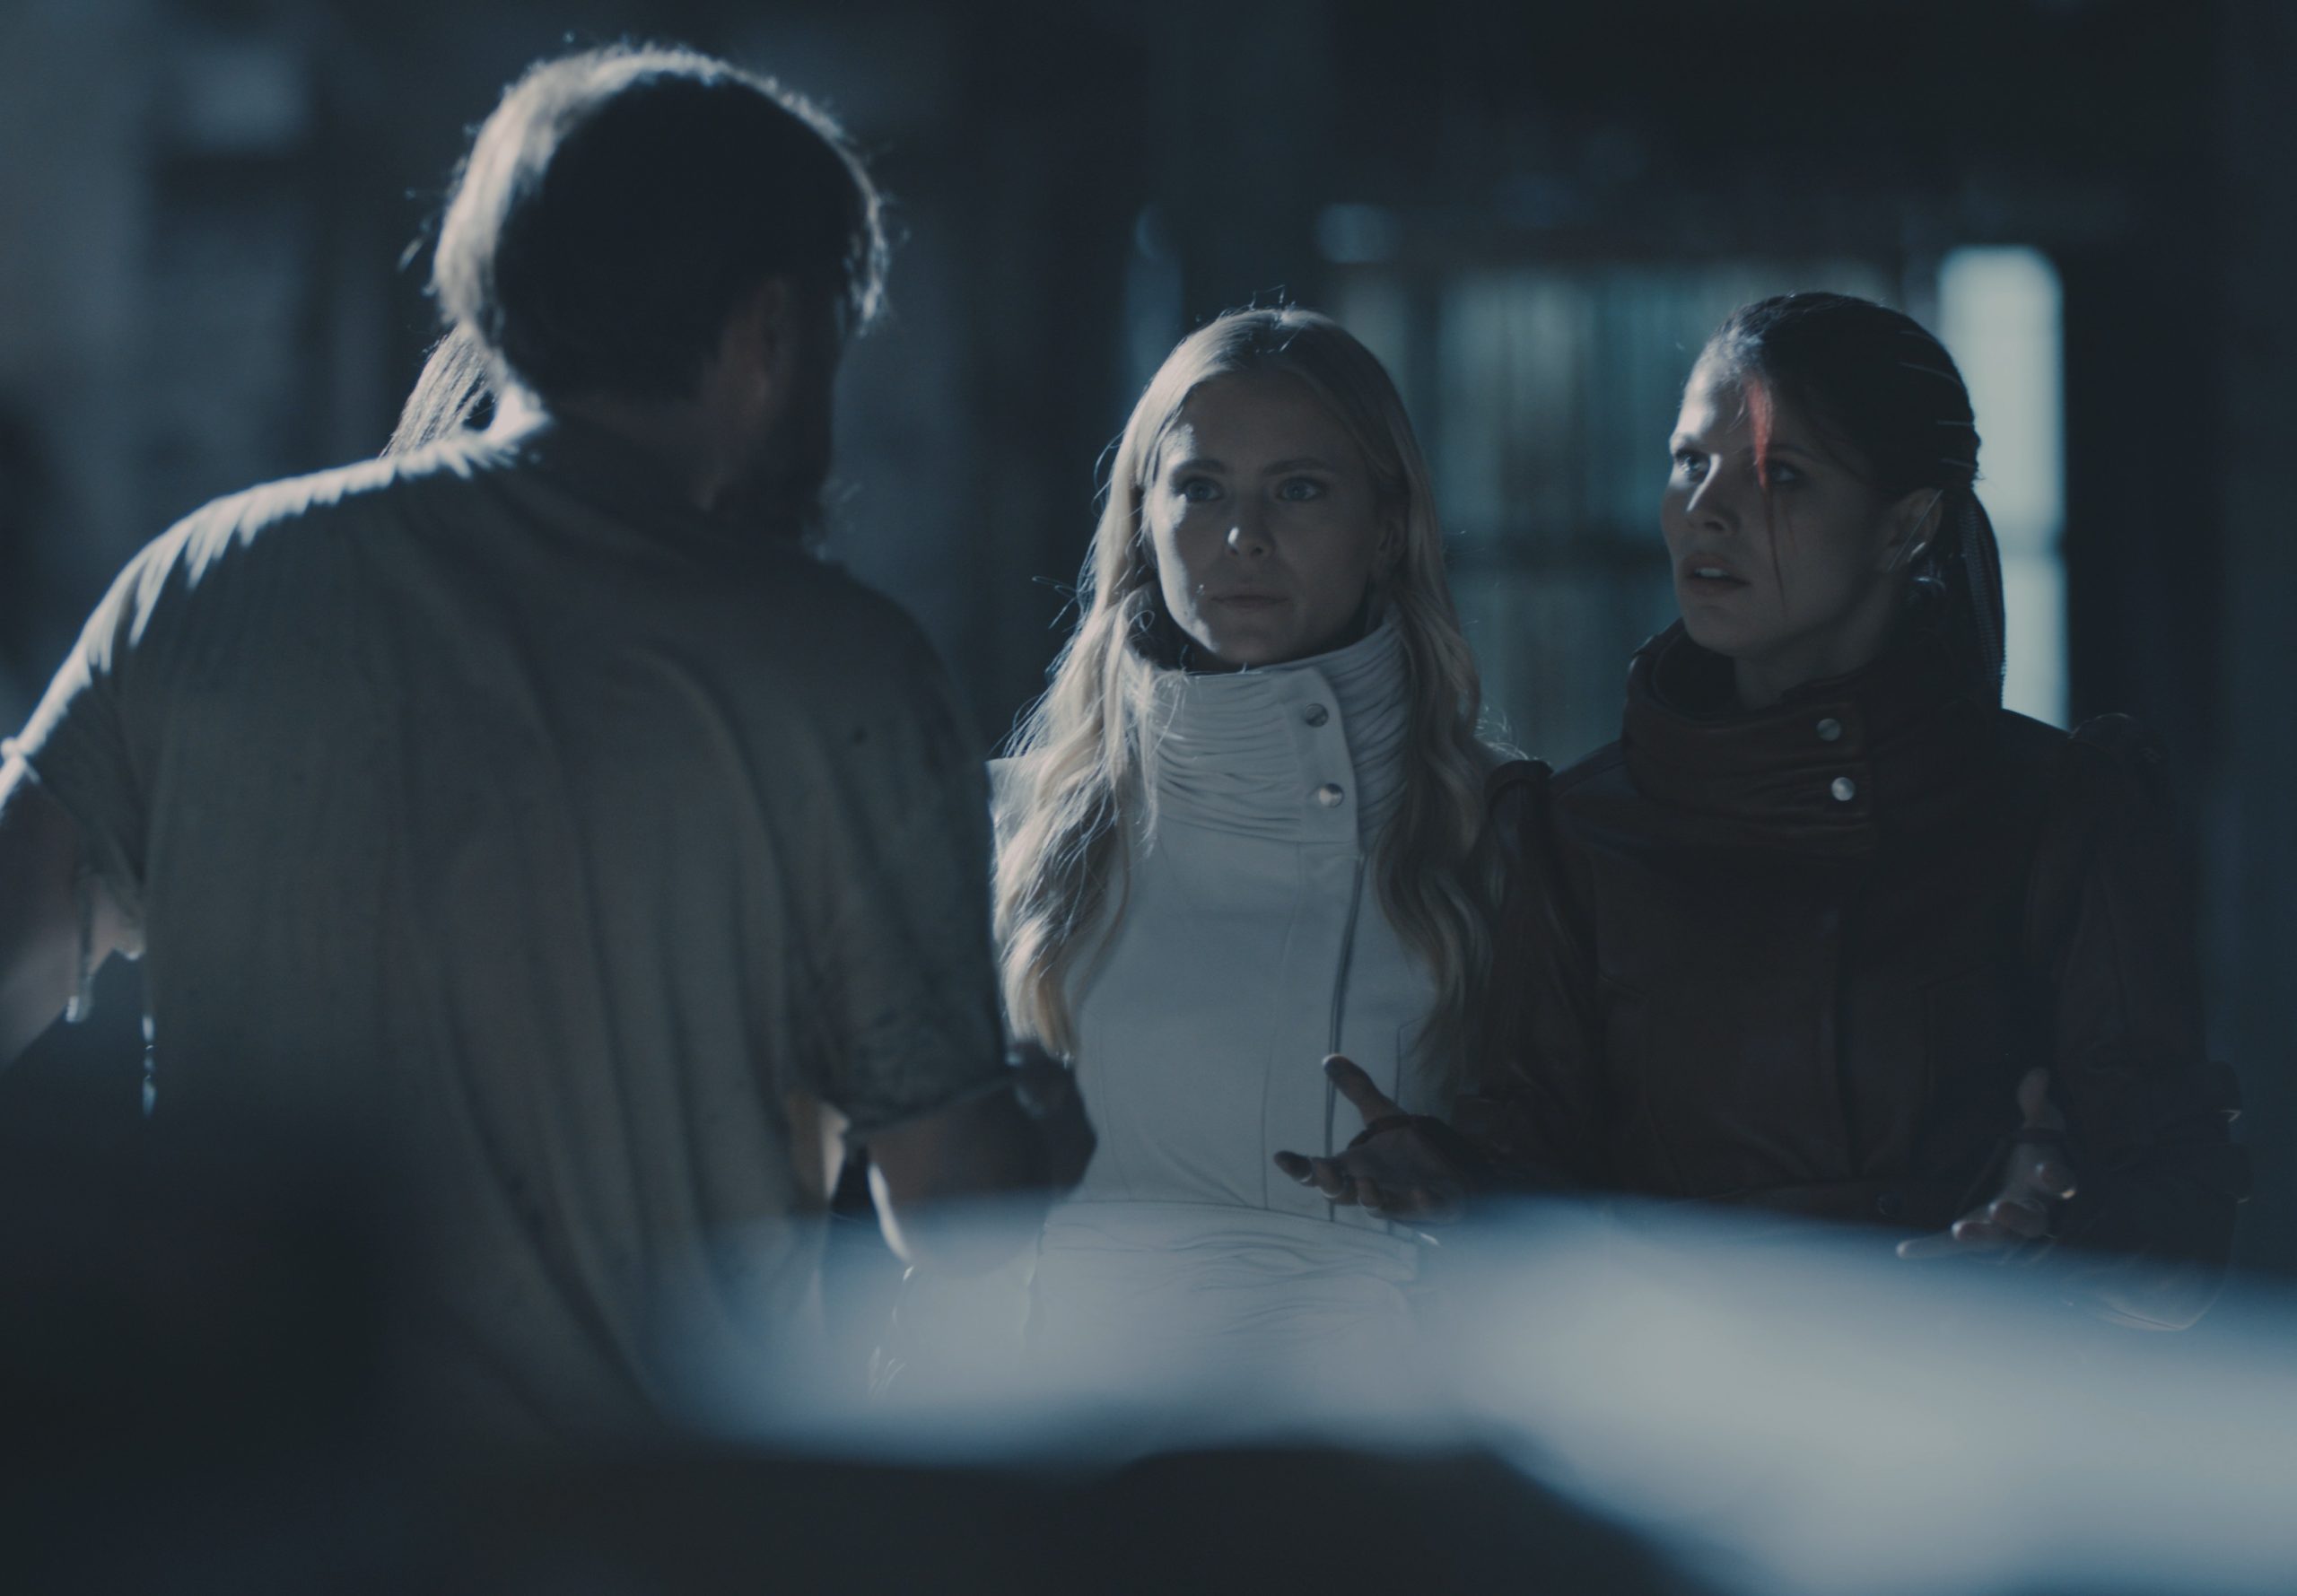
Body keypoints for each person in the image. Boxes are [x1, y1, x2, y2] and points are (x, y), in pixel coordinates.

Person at [0, 43, 1087, 1447]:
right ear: (772, 329)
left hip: (257, 1505)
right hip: (630, 1512)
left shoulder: (204, 582)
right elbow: (951, 1211)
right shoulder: (843, 671)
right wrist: (1038, 1136)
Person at [1303, 291, 2244, 1327]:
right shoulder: (1575, 830)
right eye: (1687, 463)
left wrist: (2065, 1237)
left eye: (1778, 475)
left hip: (1981, 1397)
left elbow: (2178, 1212)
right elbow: (1542, 1188)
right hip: (1685, 1402)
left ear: (1907, 524)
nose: (1706, 510)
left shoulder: (2057, 808)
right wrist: (1455, 1185)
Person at [949, 306, 1500, 1383]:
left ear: (1386, 527)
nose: (1243, 535)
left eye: (1299, 490)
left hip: (1393, 1436)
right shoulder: (1007, 833)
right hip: (1072, 1433)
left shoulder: (1498, 835)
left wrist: (1477, 1196)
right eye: (1200, 488)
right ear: (1141, 523)